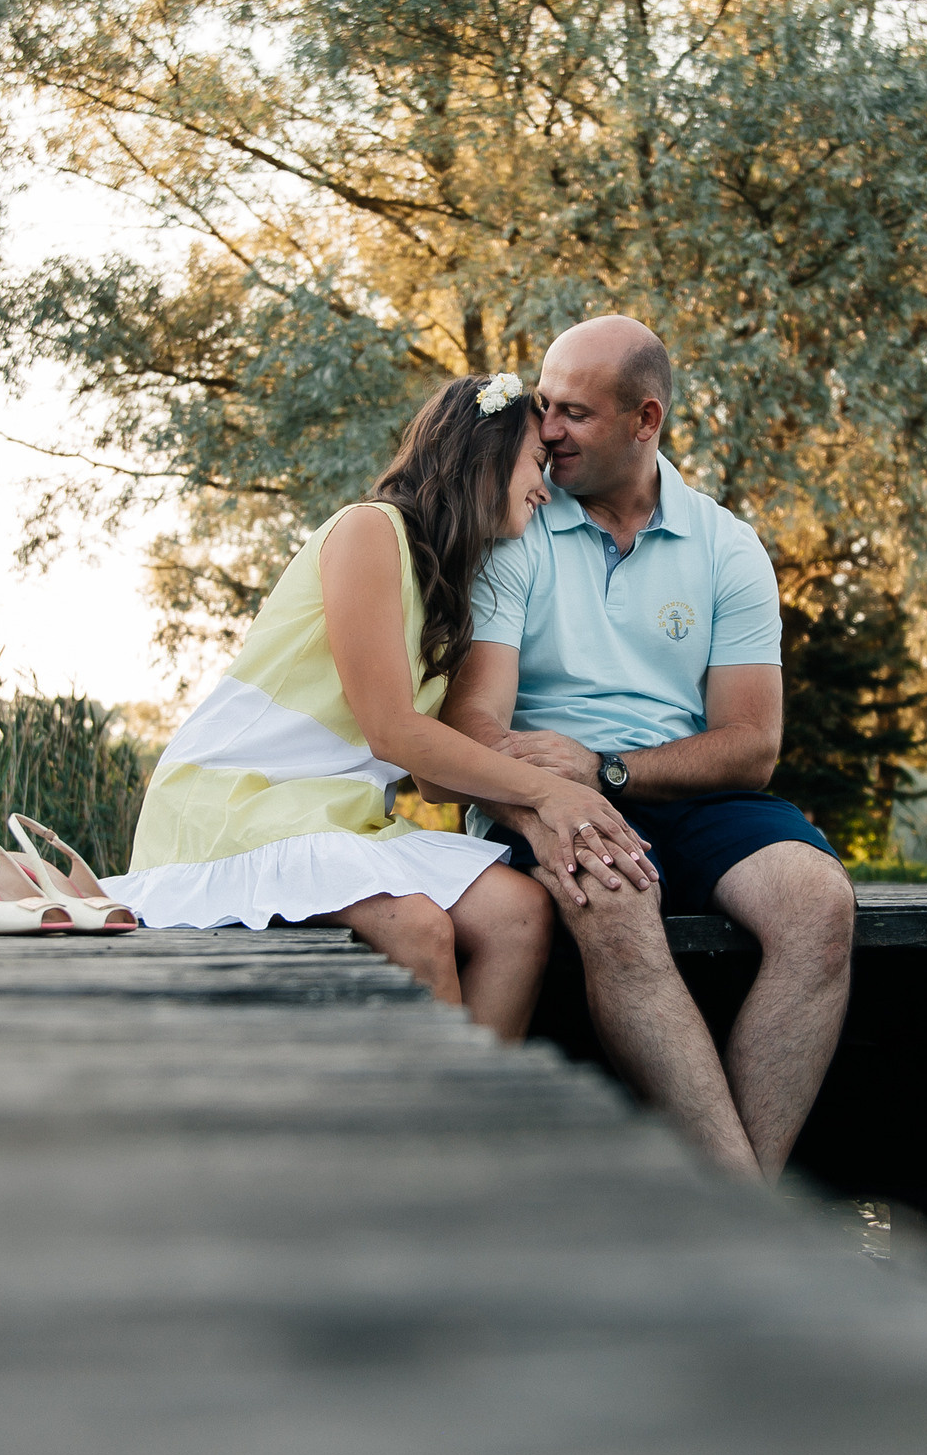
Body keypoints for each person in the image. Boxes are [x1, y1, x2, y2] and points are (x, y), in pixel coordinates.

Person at [100, 375, 656, 1042]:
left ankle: (478, 1099)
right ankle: (419, 1108)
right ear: (484, 453)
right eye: (536, 462)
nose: (545, 487)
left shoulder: (448, 586)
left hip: (339, 815)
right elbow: (393, 732)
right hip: (241, 802)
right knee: (419, 929)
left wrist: (549, 798)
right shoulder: (369, 529)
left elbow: (433, 777)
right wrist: (550, 793)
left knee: (520, 913)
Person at [437, 316, 856, 1178]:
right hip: (541, 796)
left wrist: (609, 769)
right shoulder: (517, 525)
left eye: (575, 413)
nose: (547, 429)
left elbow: (752, 746)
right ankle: (746, 1215)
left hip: (686, 793)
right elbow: (474, 725)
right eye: (545, 404)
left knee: (821, 905)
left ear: (646, 419)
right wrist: (557, 795)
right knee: (620, 909)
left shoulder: (727, 547)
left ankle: (735, 1206)